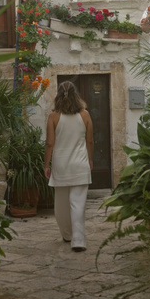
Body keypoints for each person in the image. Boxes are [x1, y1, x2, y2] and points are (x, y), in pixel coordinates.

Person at [44, 81, 94, 251]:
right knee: (78, 204)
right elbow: (90, 141)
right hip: (80, 164)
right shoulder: (85, 115)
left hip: (61, 165)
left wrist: (46, 164)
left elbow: (49, 144)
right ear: (76, 95)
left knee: (61, 205)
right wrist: (90, 159)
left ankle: (66, 234)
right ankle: (78, 240)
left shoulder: (53, 117)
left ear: (58, 95)